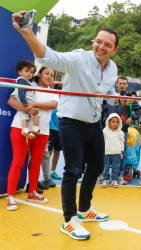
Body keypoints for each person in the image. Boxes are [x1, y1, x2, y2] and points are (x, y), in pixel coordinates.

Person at [12, 11, 119, 239]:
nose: (101, 47)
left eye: (107, 45)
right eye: (98, 42)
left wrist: (115, 96)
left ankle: (84, 209)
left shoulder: (113, 69)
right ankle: (69, 220)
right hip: (71, 122)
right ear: (94, 42)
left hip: (93, 123)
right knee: (73, 170)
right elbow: (49, 56)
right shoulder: (79, 58)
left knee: (97, 167)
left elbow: (106, 93)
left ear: (114, 50)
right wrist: (27, 33)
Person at [7, 66, 58, 210]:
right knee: (18, 162)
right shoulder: (28, 85)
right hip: (21, 128)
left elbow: (52, 105)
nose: (49, 76)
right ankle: (11, 196)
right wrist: (27, 109)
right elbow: (11, 101)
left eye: (52, 75)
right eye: (46, 73)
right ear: (39, 74)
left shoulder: (53, 92)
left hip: (42, 131)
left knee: (36, 163)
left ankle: (32, 192)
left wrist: (34, 104)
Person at [15, 61, 39, 138]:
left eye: (31, 72)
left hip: (25, 101)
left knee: (24, 116)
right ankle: (35, 127)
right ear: (19, 72)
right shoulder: (22, 80)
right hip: (26, 101)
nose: (29, 74)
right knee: (36, 112)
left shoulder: (27, 81)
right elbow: (21, 92)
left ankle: (25, 129)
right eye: (26, 71)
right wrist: (25, 102)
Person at [102, 113, 125, 188]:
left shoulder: (120, 132)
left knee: (116, 167)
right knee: (106, 167)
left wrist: (121, 152)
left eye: (117, 122)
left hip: (117, 153)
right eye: (113, 122)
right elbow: (102, 141)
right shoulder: (104, 131)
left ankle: (114, 179)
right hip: (106, 152)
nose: (115, 124)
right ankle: (105, 179)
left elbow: (122, 142)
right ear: (109, 122)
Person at [49, 83, 63, 180]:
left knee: (57, 151)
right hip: (50, 130)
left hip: (60, 130)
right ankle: (46, 173)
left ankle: (52, 171)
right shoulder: (51, 101)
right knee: (48, 151)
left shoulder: (64, 103)